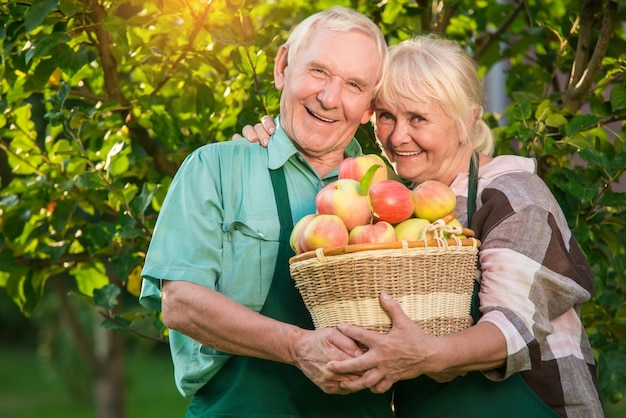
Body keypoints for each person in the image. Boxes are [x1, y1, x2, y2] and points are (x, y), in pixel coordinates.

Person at [239, 34, 604, 417]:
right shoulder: (389, 203)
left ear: (467, 119)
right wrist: (274, 139)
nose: (398, 137)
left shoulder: (510, 193)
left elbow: (511, 328)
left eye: (418, 118)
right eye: (386, 116)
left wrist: (425, 355)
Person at [138, 6, 396, 418]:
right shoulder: (216, 168)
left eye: (353, 84)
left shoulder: (391, 196)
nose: (329, 98)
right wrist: (298, 347)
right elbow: (180, 302)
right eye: (318, 71)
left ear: (369, 107)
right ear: (282, 67)